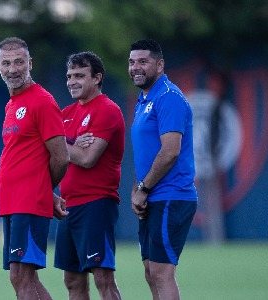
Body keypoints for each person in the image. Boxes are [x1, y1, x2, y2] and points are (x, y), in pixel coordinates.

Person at [0, 37, 69, 300]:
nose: (13, 68)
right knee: (24, 278)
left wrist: (42, 190)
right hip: (12, 202)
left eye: (18, 62)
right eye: (6, 63)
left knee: (21, 277)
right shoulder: (12, 104)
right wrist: (46, 193)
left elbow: (61, 157)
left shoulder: (42, 101)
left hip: (28, 203)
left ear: (30, 63)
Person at [128, 38, 198, 300]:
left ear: (160, 64)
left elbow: (170, 151)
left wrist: (142, 188)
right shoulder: (144, 99)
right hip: (153, 197)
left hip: (171, 195)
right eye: (132, 62)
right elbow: (146, 152)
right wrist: (139, 189)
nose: (136, 67)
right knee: (150, 271)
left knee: (161, 272)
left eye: (143, 61)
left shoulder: (169, 98)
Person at [53, 52, 125, 300]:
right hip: (68, 205)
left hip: (96, 203)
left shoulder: (107, 110)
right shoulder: (65, 113)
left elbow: (86, 158)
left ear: (97, 78)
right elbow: (51, 151)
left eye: (79, 76)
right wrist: (69, 142)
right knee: (72, 280)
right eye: (69, 76)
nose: (72, 81)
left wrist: (62, 145)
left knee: (103, 279)